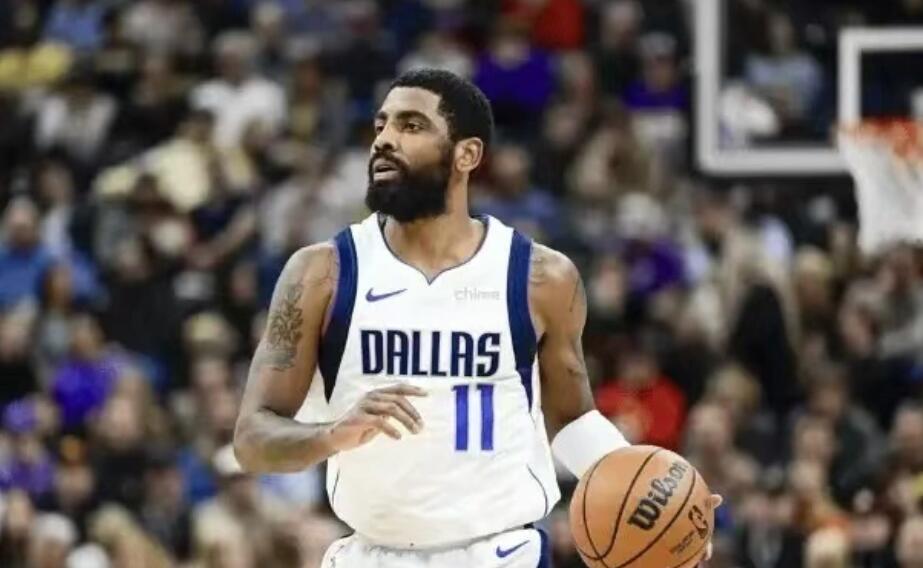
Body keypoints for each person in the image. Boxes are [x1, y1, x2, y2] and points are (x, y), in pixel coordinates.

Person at [233, 68, 720, 567]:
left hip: (501, 553)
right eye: (381, 126)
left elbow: (571, 420)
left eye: (411, 125)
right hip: (371, 554)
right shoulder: (321, 273)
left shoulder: (539, 276)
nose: (384, 140)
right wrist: (331, 434)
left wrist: (667, 511)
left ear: (467, 154)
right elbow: (251, 439)